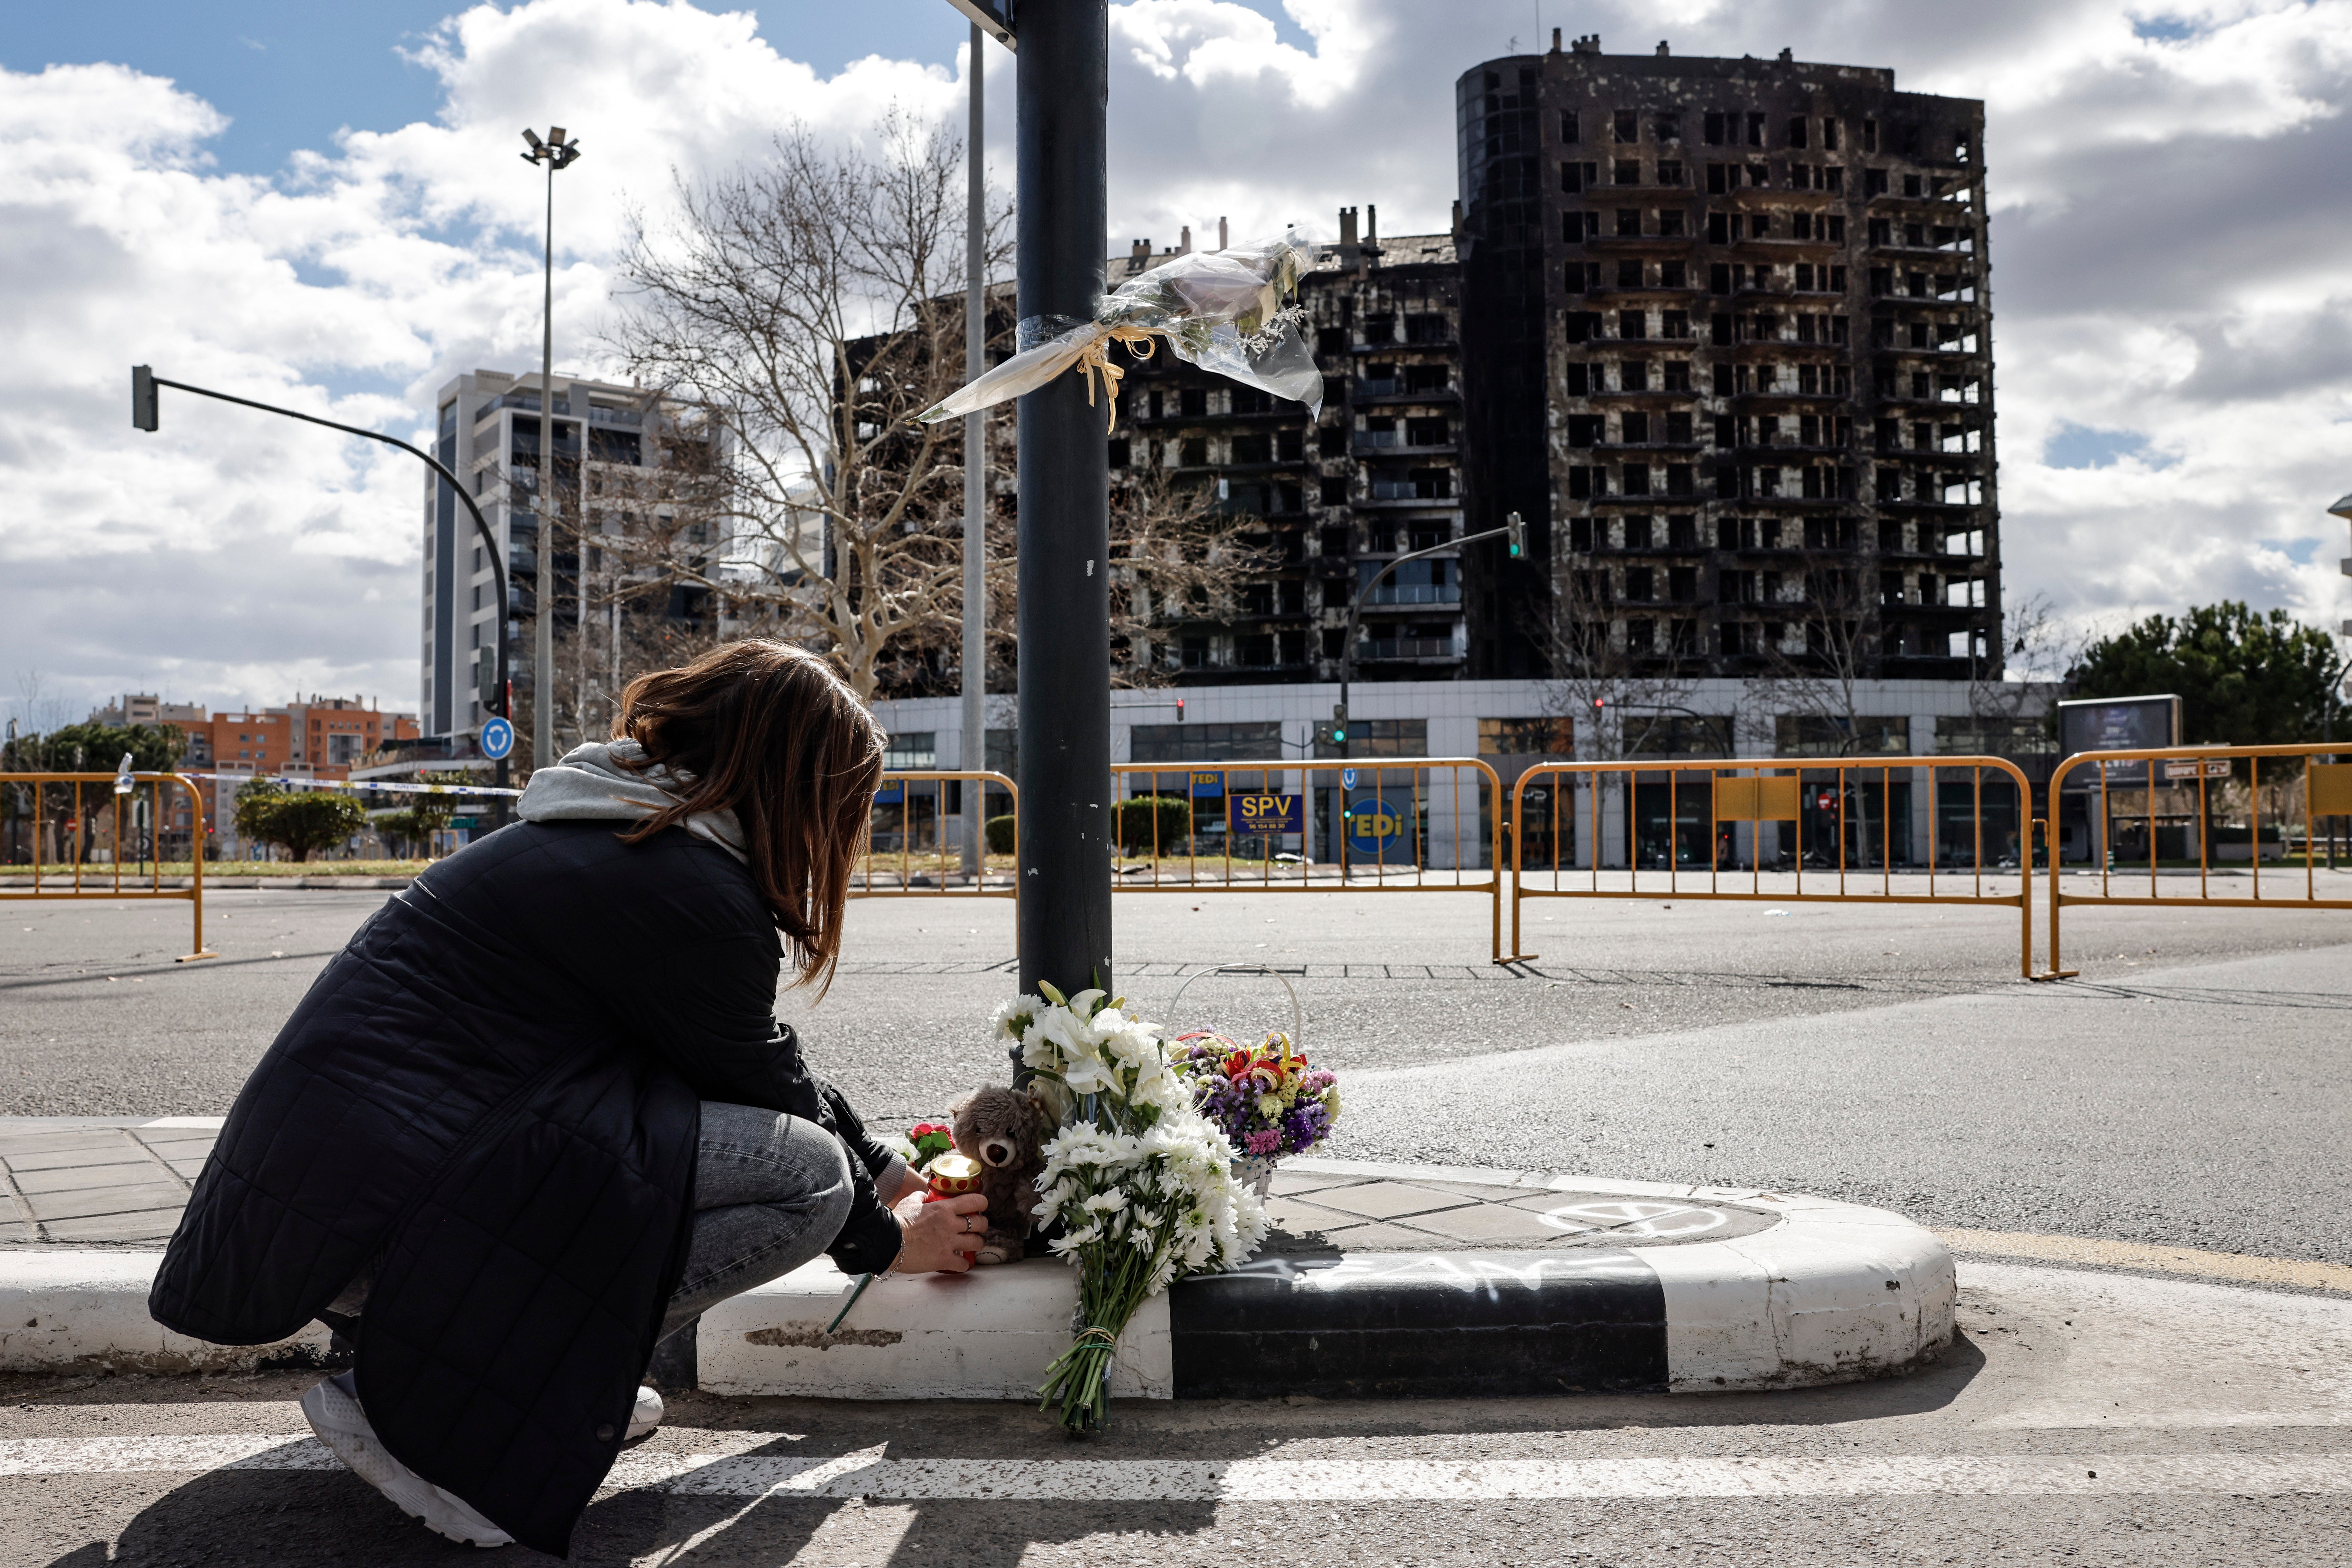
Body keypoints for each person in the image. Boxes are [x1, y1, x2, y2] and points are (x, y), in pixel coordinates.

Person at [148, 641, 987, 1554]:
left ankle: (534, 1370)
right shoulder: (684, 886)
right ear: (795, 787)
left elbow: (742, 1056)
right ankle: (441, 1411)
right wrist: (881, 1241)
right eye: (845, 805)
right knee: (806, 1182)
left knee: (783, 1156)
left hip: (337, 1216)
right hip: (370, 1233)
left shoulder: (620, 830)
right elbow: (760, 1079)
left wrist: (890, 1167)